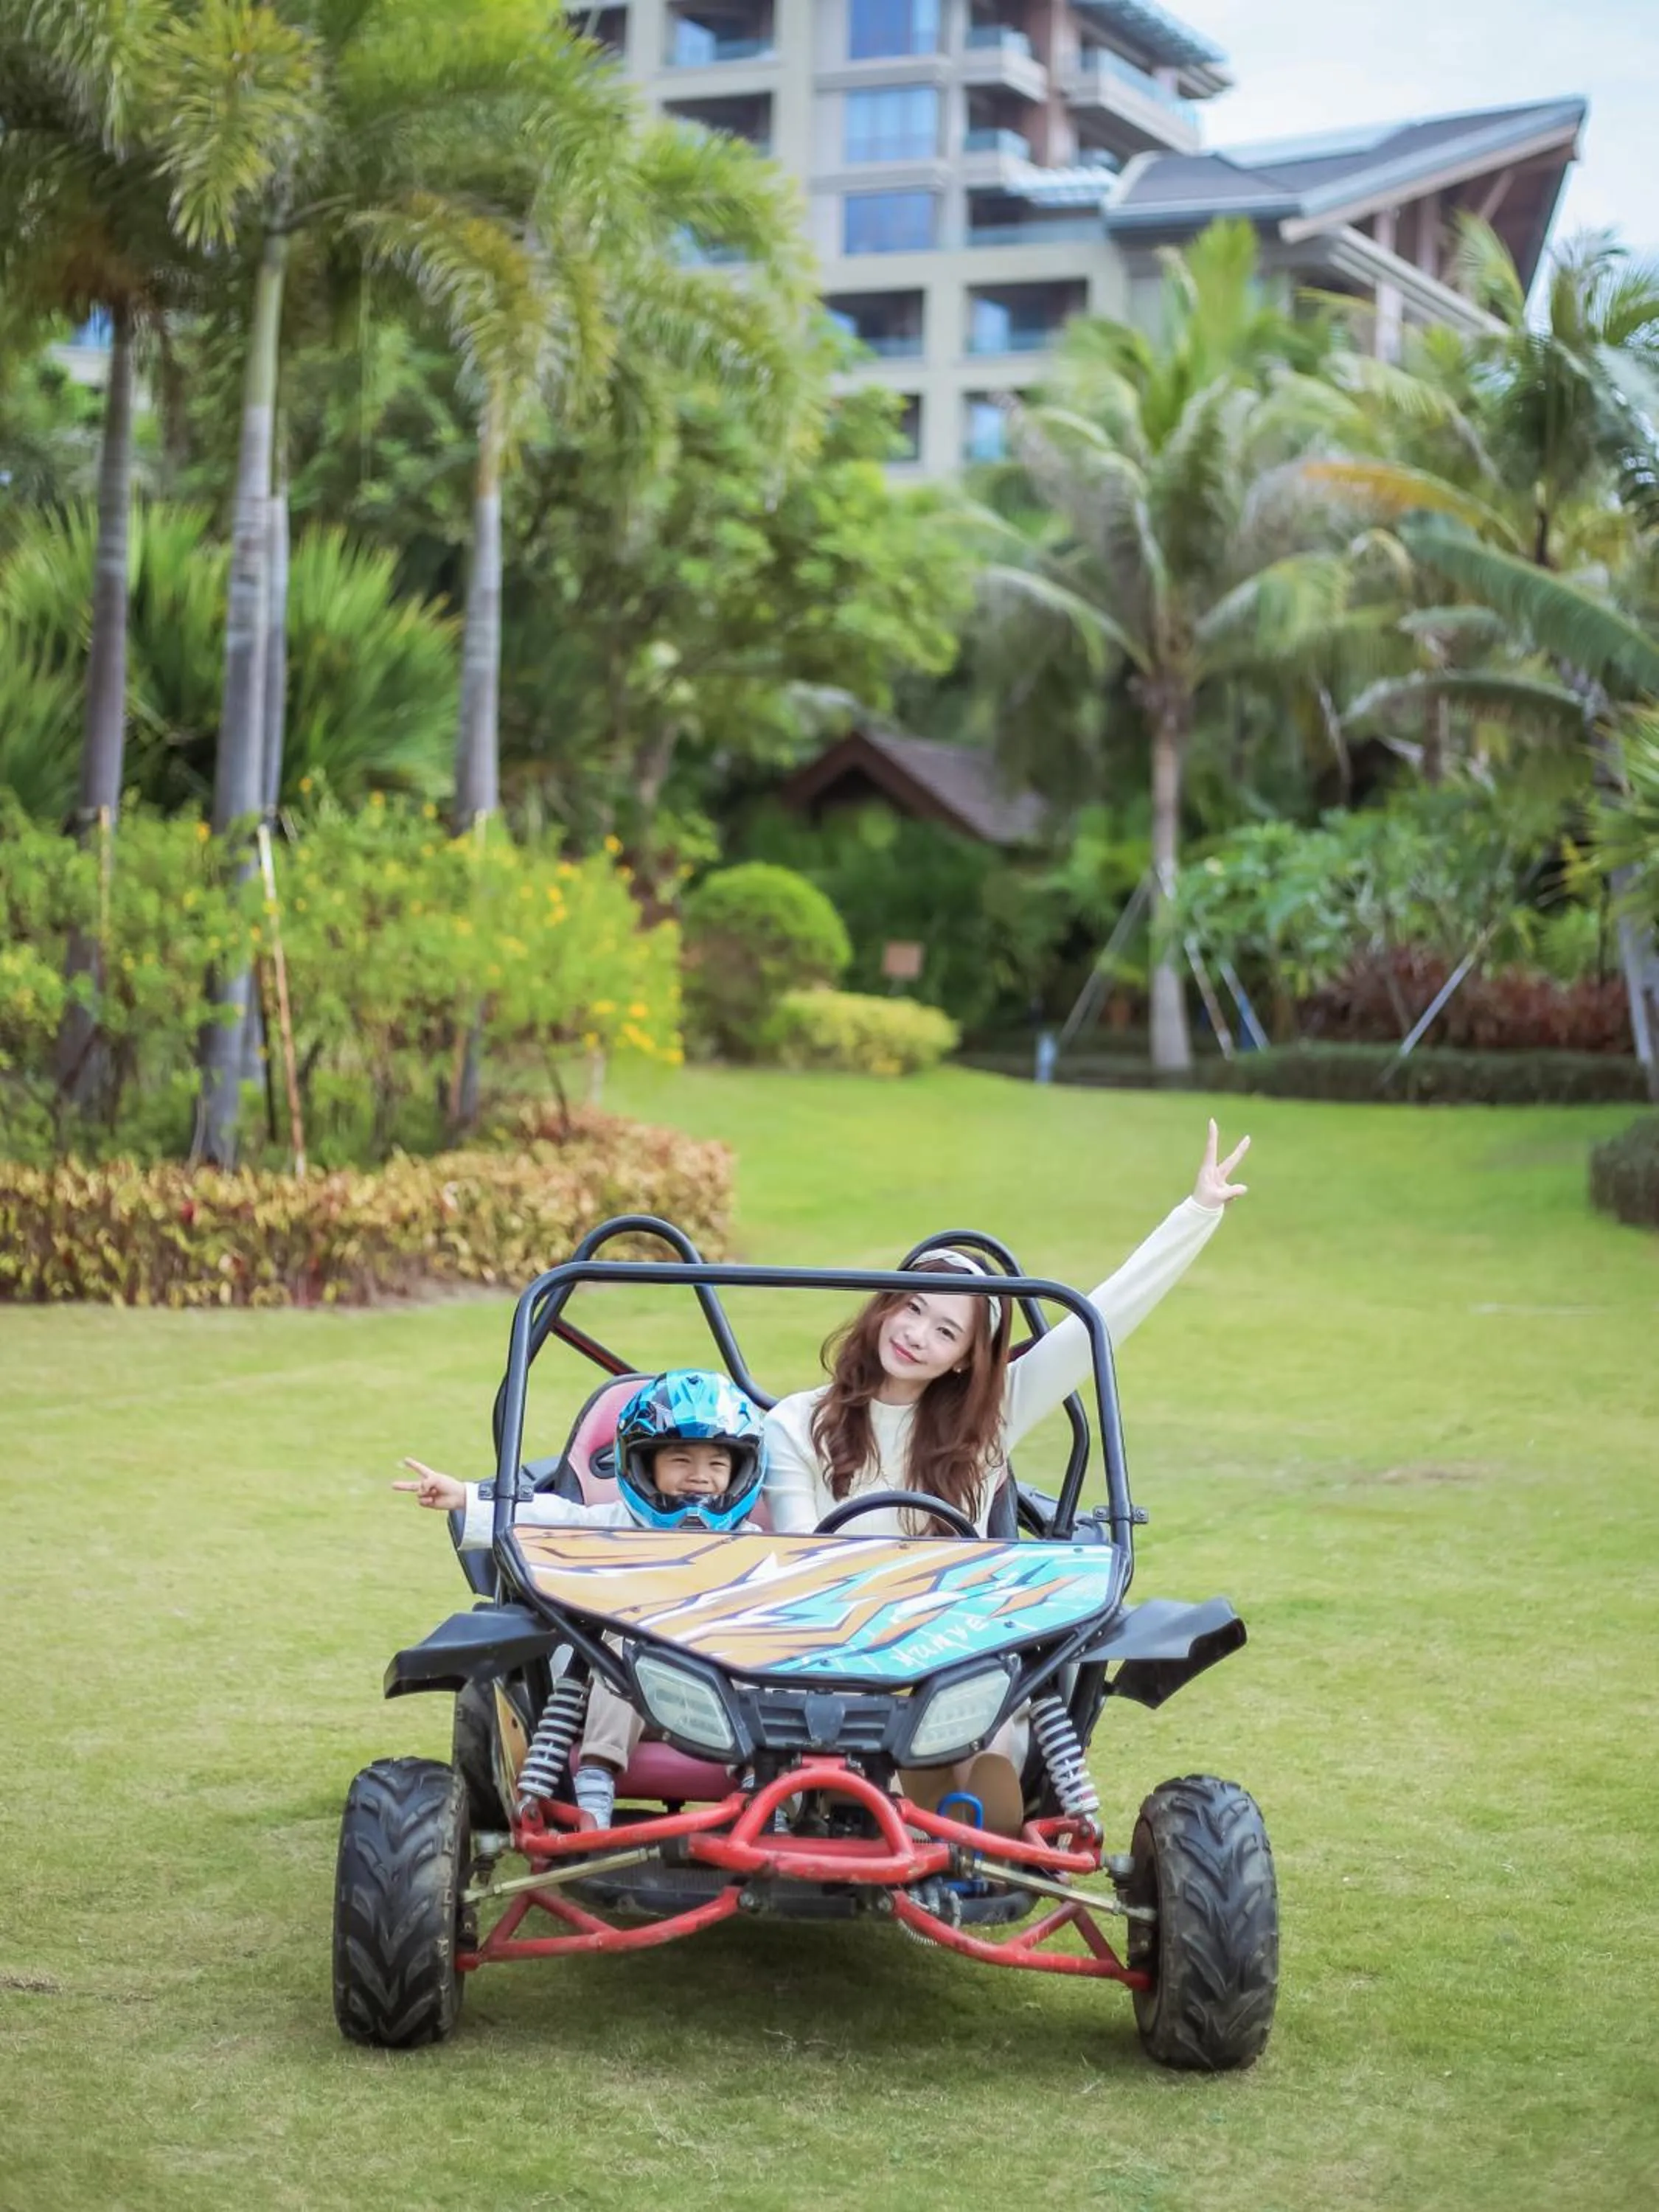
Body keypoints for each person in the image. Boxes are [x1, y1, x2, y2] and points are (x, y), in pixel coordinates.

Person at [760, 1118, 1252, 1829]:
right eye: (911, 1309)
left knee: (990, 1673)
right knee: (881, 1670)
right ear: (883, 1307)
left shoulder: (982, 1424)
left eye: (946, 1331)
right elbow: (798, 1559)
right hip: (834, 1630)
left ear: (965, 1357)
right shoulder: (797, 1422)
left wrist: (1197, 1210)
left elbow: (1099, 1323)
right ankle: (885, 1780)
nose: (916, 1335)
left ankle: (966, 1782)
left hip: (947, 1635)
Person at [397, 1369, 765, 1831]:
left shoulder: (756, 1544)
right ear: (644, 1465)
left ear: (742, 1471)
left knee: (762, 1653)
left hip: (719, 1705)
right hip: (626, 1699)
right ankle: (595, 1788)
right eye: (680, 1461)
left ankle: (763, 1787)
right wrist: (466, 1498)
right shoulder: (611, 1525)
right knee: (624, 1649)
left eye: (717, 1464)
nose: (699, 1478)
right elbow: (546, 1515)